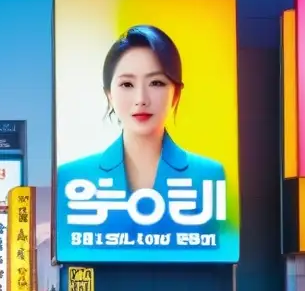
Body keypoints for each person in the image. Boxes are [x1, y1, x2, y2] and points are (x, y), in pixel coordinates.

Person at [56, 25, 228, 255]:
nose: (141, 99)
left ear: (176, 93)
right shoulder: (73, 176)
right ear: (109, 93)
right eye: (127, 84)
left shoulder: (208, 174)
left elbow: (217, 250)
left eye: (156, 83)